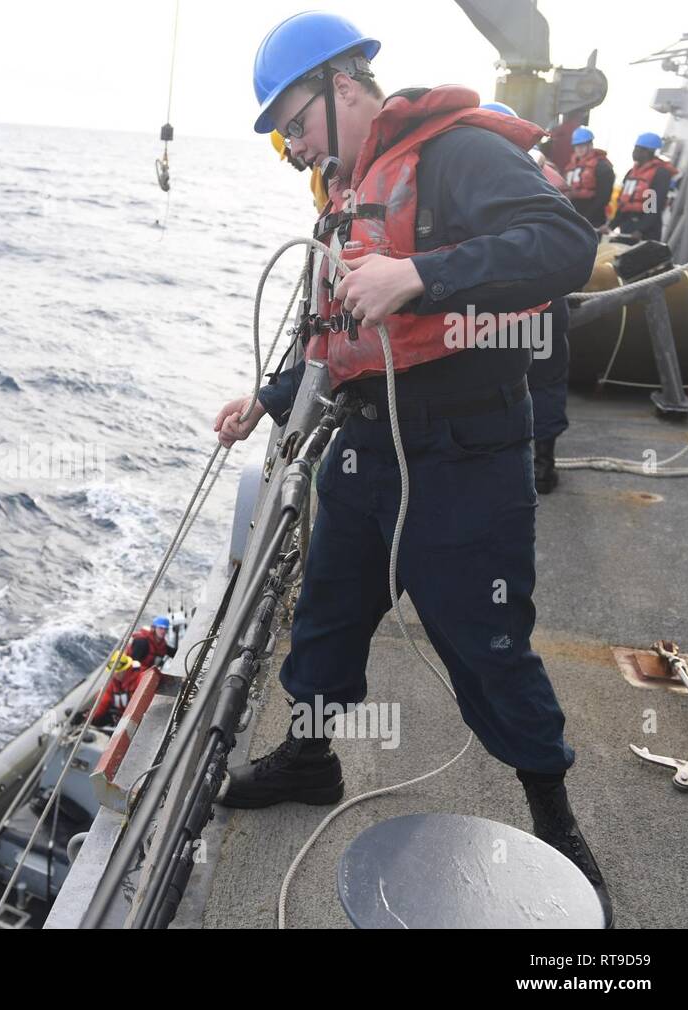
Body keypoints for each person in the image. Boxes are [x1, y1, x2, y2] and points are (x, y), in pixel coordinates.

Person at [212, 11, 610, 923]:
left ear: (341, 86)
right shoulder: (347, 190)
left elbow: (565, 246)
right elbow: (335, 335)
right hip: (367, 440)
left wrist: (421, 275)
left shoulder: (458, 151)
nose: (295, 145)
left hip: (466, 447)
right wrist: (269, 399)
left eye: (296, 123)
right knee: (326, 614)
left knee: (487, 639)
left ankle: (553, 818)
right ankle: (312, 759)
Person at [482, 101, 572, 493]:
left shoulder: (467, 177)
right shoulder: (543, 178)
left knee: (494, 378)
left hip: (493, 305)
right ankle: (542, 464)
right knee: (547, 378)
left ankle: (499, 458)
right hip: (545, 297)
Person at [607, 132, 676, 242]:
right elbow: (623, 203)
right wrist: (611, 225)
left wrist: (641, 230)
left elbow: (653, 206)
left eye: (639, 149)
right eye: (635, 148)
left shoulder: (660, 174)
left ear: (649, 152)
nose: (634, 152)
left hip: (646, 231)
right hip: (627, 226)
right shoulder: (631, 173)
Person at [561, 126, 615, 229]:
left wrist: (587, 217)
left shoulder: (602, 166)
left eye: (583, 145)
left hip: (592, 218)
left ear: (590, 144)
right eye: (577, 145)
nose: (579, 149)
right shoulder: (570, 167)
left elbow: (604, 197)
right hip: (572, 214)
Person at [88, 652, 146, 728]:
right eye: (114, 672)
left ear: (127, 667)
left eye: (119, 671)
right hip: (121, 718)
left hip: (138, 721)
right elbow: (102, 703)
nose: (116, 674)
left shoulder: (141, 678)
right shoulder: (112, 684)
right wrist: (88, 718)